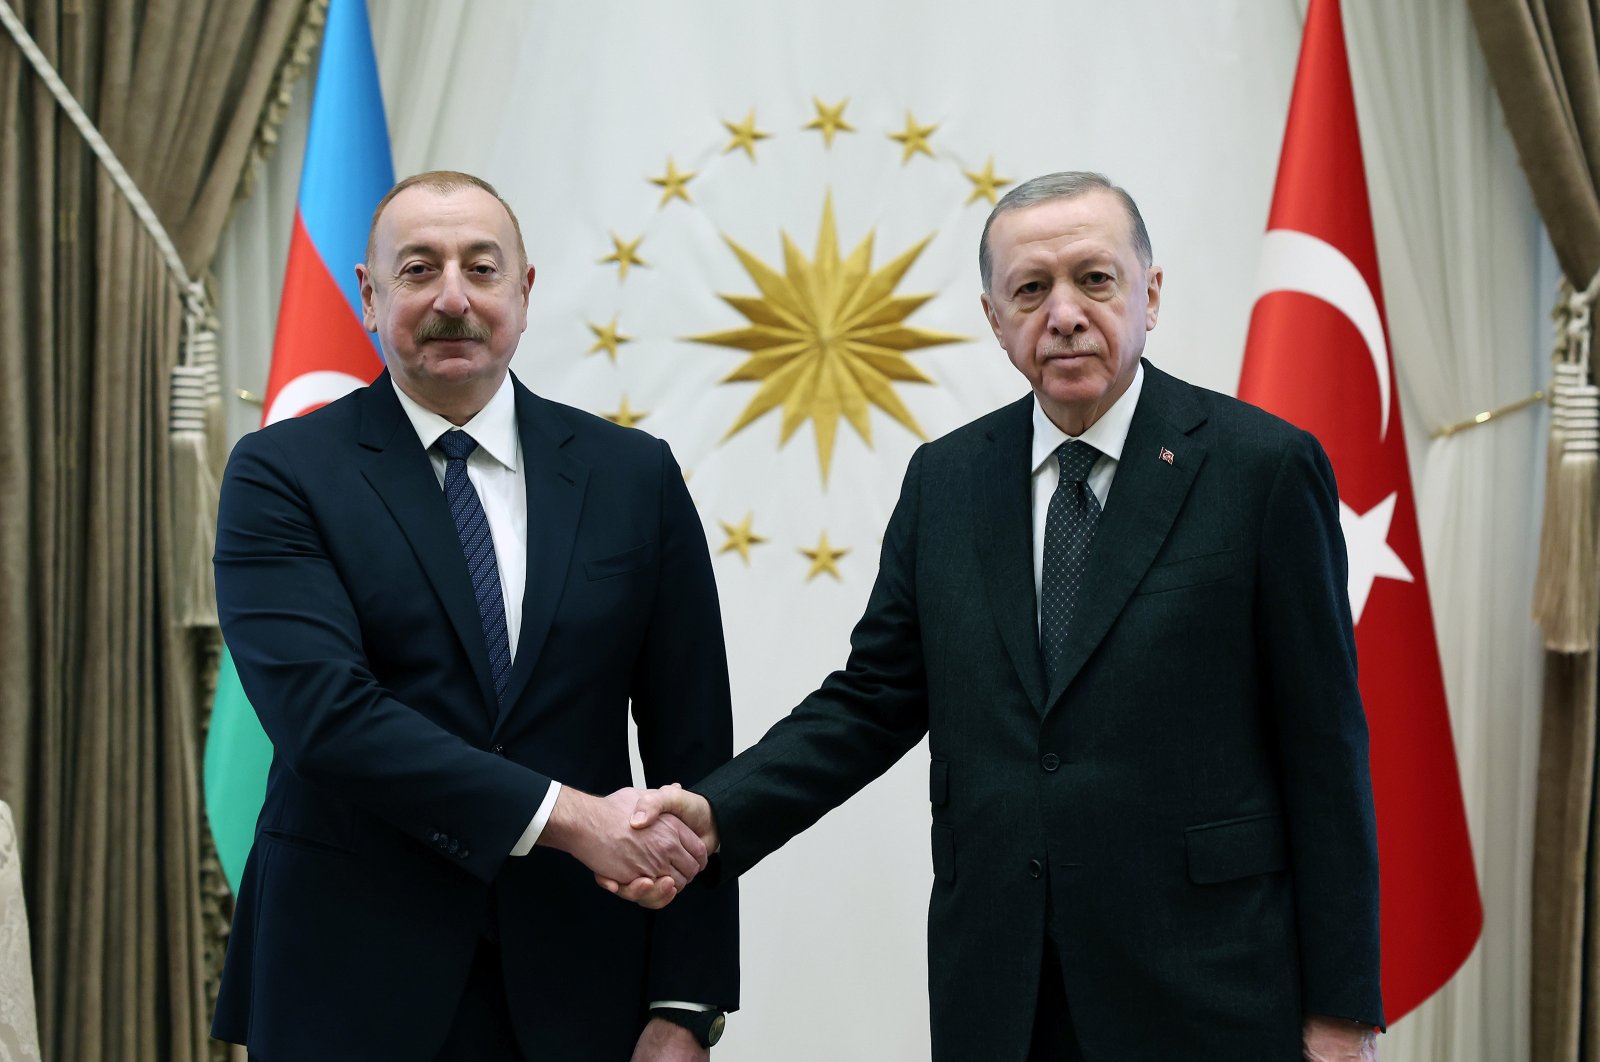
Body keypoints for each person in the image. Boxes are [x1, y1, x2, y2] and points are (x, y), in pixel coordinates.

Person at [616, 172, 1383, 1060]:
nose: (1063, 313)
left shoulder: (1262, 470)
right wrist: (716, 813)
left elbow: (1324, 753)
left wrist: (1342, 1011)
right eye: (1031, 289)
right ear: (993, 317)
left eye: (1095, 280)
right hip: (1004, 992)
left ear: (1151, 294)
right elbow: (870, 703)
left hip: (1206, 987)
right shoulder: (946, 482)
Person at [211, 171, 737, 1060]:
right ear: (369, 298)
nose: (453, 297)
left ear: (523, 293)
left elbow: (696, 749)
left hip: (585, 982)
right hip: (348, 978)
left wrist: (686, 1002)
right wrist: (572, 818)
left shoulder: (633, 476)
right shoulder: (280, 473)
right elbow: (325, 719)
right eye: (418, 270)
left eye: (480, 268)